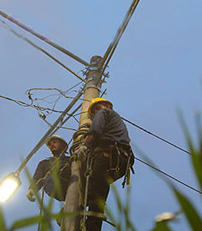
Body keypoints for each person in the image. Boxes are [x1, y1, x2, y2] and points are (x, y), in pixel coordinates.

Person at [77, 97, 133, 231]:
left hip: (109, 155)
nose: (96, 111)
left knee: (94, 188)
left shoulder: (103, 113)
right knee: (98, 189)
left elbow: (95, 131)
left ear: (107, 106)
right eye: (95, 110)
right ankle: (93, 223)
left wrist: (84, 144)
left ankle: (86, 217)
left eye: (97, 108)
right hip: (120, 161)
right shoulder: (115, 120)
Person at [26, 135, 71, 202]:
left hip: (71, 183)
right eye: (49, 144)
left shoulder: (70, 159)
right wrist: (31, 190)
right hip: (54, 185)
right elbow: (37, 177)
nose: (52, 145)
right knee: (50, 177)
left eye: (54, 142)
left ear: (63, 145)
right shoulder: (44, 163)